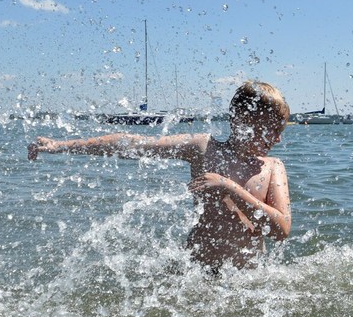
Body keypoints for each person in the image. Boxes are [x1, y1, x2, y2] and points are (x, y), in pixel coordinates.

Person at [28, 80, 291, 273]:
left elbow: (281, 230)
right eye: (272, 130)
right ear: (242, 120)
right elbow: (132, 144)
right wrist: (60, 145)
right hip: (196, 272)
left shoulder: (273, 167)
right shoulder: (204, 148)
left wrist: (229, 187)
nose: (278, 139)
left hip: (247, 277)